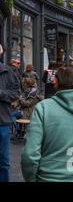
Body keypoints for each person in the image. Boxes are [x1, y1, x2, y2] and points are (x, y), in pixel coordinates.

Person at [0, 44, 20, 182]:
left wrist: (1, 93)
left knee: (3, 161)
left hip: (2, 122)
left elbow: (15, 94)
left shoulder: (8, 72)